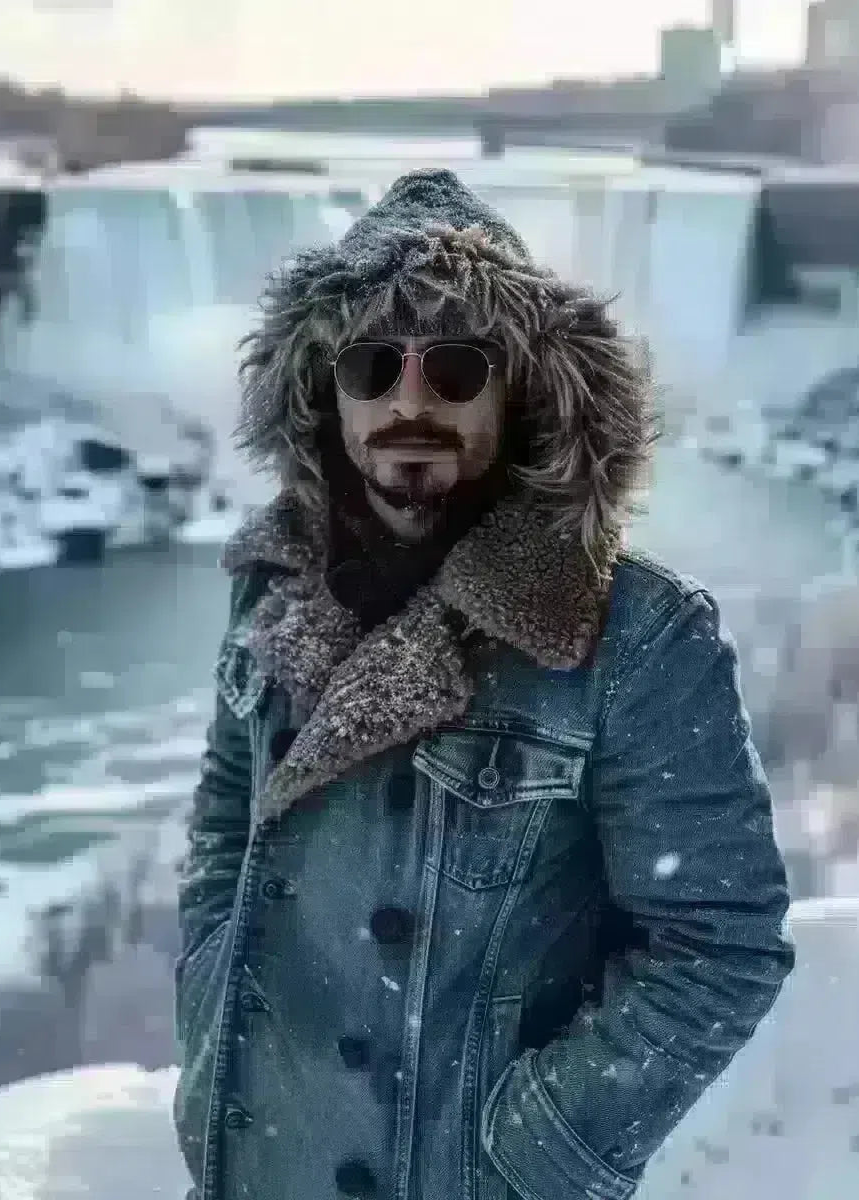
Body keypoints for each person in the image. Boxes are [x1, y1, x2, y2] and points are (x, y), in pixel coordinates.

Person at [172, 168, 795, 1200]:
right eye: (373, 366)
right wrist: (210, 1021)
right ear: (323, 395)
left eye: (457, 370)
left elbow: (719, 942)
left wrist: (526, 1154)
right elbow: (220, 838)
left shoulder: (628, 632)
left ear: (526, 396)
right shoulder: (274, 590)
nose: (409, 401)